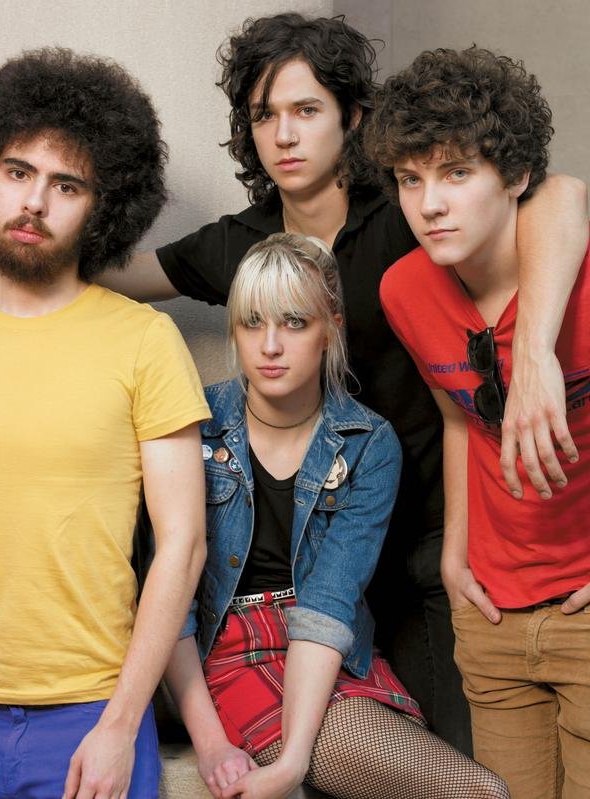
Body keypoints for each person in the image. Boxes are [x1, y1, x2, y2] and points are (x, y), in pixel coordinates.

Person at [100, 12, 588, 752]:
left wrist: (535, 353)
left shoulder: (409, 215)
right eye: (265, 115)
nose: (284, 135)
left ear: (353, 117)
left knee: (456, 755)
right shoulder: (241, 244)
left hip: (426, 544)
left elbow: (556, 196)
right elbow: (114, 278)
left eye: (306, 110)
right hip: (315, 561)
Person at [165, 231, 510, 799]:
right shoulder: (192, 424)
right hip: (227, 650)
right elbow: (168, 600)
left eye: (294, 322)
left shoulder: (369, 443)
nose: (270, 345)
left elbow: (328, 603)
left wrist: (291, 762)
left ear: (331, 329)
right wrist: (211, 743)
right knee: (477, 793)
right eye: (252, 322)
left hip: (329, 650)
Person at [0, 48, 211, 799]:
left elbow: (182, 544)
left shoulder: (144, 340)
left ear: (103, 206)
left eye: (67, 184)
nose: (35, 202)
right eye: (18, 171)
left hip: (92, 711)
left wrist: (119, 724)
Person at [371, 46, 590, 798]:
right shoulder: (405, 291)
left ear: (516, 177)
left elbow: (570, 192)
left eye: (456, 173)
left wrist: (536, 353)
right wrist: (456, 556)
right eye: (411, 179)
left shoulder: (577, 274)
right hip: (492, 615)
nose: (429, 204)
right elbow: (459, 417)